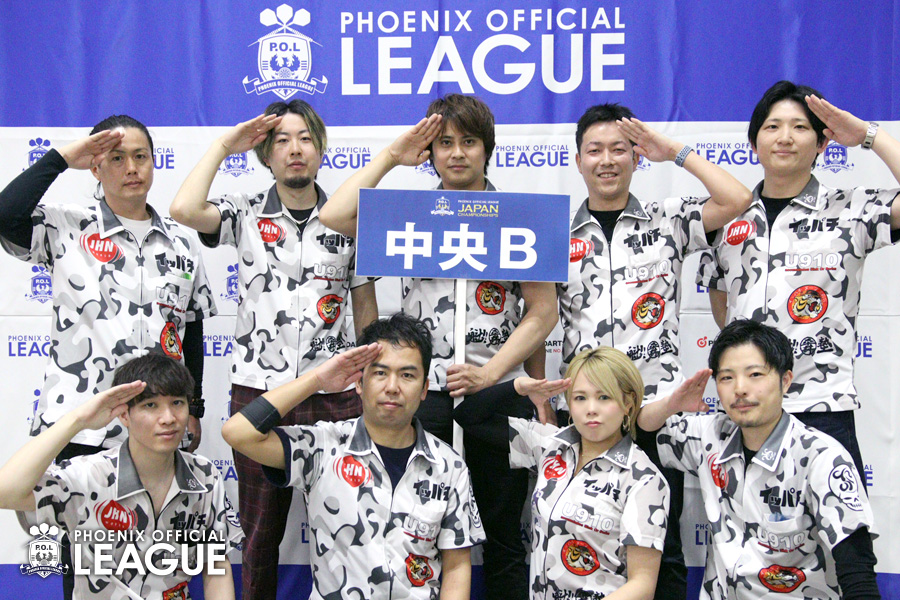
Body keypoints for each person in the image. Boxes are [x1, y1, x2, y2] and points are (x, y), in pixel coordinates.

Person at [319, 94, 557, 600]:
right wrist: (392, 156)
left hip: (497, 392)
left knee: (504, 538)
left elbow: (543, 312)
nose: (457, 153)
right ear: (429, 153)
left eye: (469, 141)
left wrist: (490, 372)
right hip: (422, 393)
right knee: (416, 529)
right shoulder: (409, 212)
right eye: (444, 143)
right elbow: (334, 215)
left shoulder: (519, 215)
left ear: (487, 148)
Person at [169, 99, 378, 599]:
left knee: (350, 521)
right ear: (266, 155)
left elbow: (366, 308)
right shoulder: (243, 212)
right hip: (259, 392)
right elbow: (183, 210)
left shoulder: (350, 220)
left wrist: (371, 379)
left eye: (305, 138)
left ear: (321, 149)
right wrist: (225, 145)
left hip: (337, 395)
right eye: (281, 140)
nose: (294, 149)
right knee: (259, 535)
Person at [0, 116, 216, 599]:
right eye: (116, 158)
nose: (131, 168)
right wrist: (60, 160)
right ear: (95, 167)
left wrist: (194, 407)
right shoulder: (65, 226)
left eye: (140, 156)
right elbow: (5, 215)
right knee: (84, 563)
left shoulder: (182, 242)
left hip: (156, 425)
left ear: (154, 162)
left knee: (155, 558)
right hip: (83, 429)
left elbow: (191, 328)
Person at [557, 103, 753, 600]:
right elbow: (537, 316)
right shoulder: (554, 232)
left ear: (636, 157)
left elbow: (737, 198)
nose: (607, 160)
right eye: (594, 150)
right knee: (579, 541)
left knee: (660, 548)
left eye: (619, 149)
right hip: (583, 411)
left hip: (657, 409)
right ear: (577, 160)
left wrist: (675, 152)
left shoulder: (668, 219)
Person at [697, 81, 900, 482]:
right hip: (748, 410)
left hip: (822, 407)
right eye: (772, 127)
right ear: (753, 143)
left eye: (800, 127)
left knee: (841, 523)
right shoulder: (726, 217)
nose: (785, 137)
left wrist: (869, 135)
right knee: (748, 521)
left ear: (823, 143)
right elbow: (723, 306)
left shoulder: (850, 210)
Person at [222, 313, 485, 600]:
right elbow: (238, 433)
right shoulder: (323, 446)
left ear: (424, 389)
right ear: (359, 383)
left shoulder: (449, 466)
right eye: (380, 373)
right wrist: (317, 379)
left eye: (407, 375)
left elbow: (457, 566)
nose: (392, 387)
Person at [637, 319, 879, 600]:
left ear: (785, 381)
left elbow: (858, 575)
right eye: (727, 378)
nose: (740, 388)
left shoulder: (821, 457)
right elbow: (643, 433)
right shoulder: (710, 435)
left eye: (755, 374)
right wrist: (671, 405)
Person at [0, 353, 242, 600]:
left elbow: (216, 569)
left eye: (177, 403)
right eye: (151, 405)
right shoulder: (89, 477)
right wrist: (77, 420)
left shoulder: (204, 476)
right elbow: (5, 492)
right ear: (124, 415)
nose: (169, 418)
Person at [454, 346, 670, 600]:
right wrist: (518, 387)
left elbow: (642, 585)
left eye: (604, 397)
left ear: (628, 403)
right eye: (580, 398)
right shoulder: (550, 446)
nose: (591, 409)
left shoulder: (644, 479)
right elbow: (468, 417)